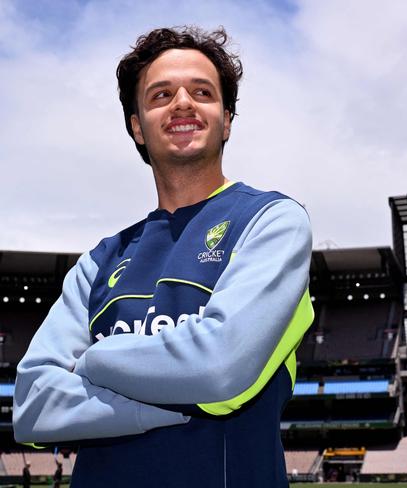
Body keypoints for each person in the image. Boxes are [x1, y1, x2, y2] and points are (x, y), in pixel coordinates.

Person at [13, 26, 313, 488]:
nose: (182, 103)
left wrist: (95, 361)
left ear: (226, 119)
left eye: (202, 91)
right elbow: (33, 405)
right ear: (137, 124)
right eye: (160, 94)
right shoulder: (98, 261)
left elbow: (218, 367)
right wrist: (167, 401)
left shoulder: (272, 221)